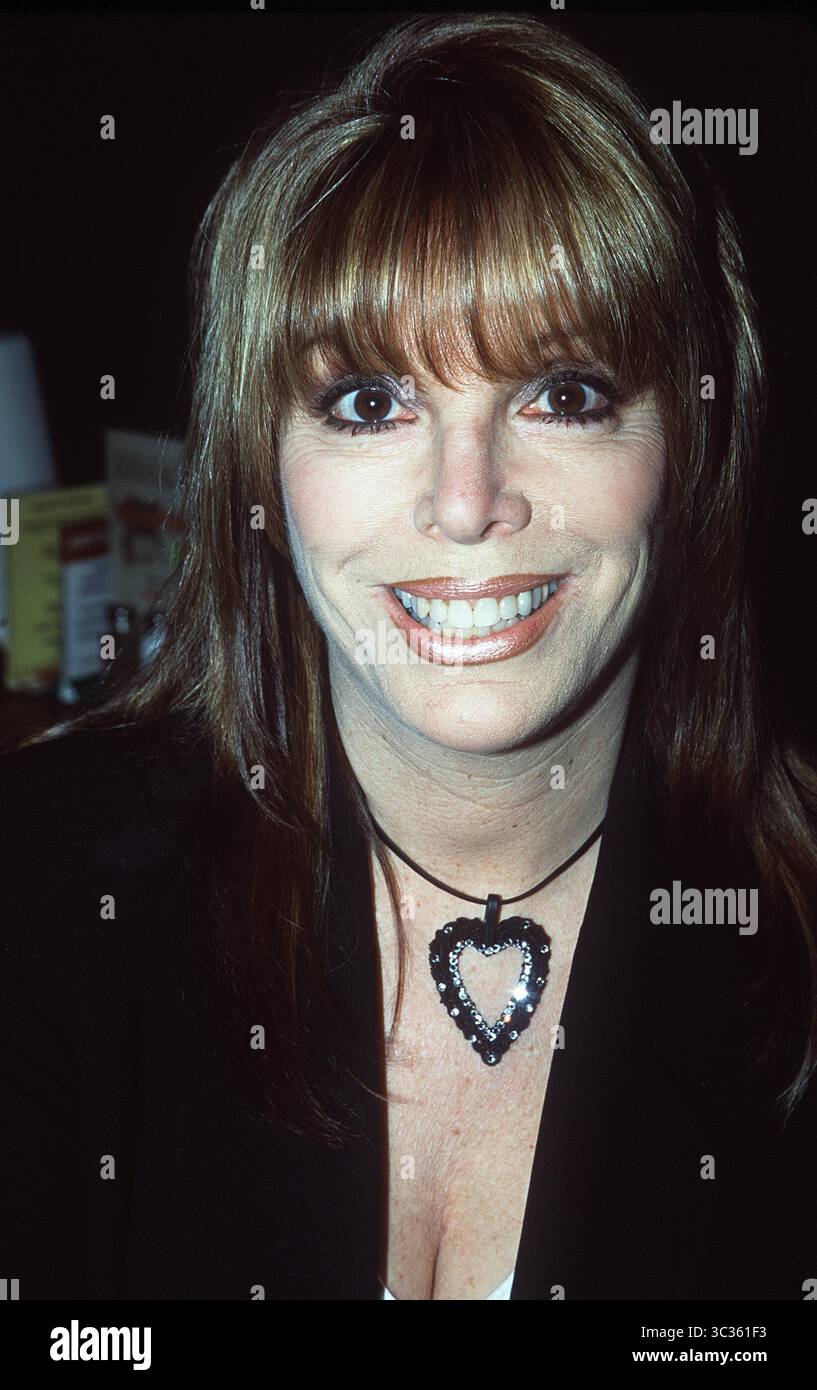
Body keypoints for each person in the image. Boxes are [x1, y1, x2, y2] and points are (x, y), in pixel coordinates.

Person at [2, 12, 816, 1302]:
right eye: (369, 401)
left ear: (690, 450)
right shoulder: (44, 900)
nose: (464, 500)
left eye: (565, 392)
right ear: (260, 464)